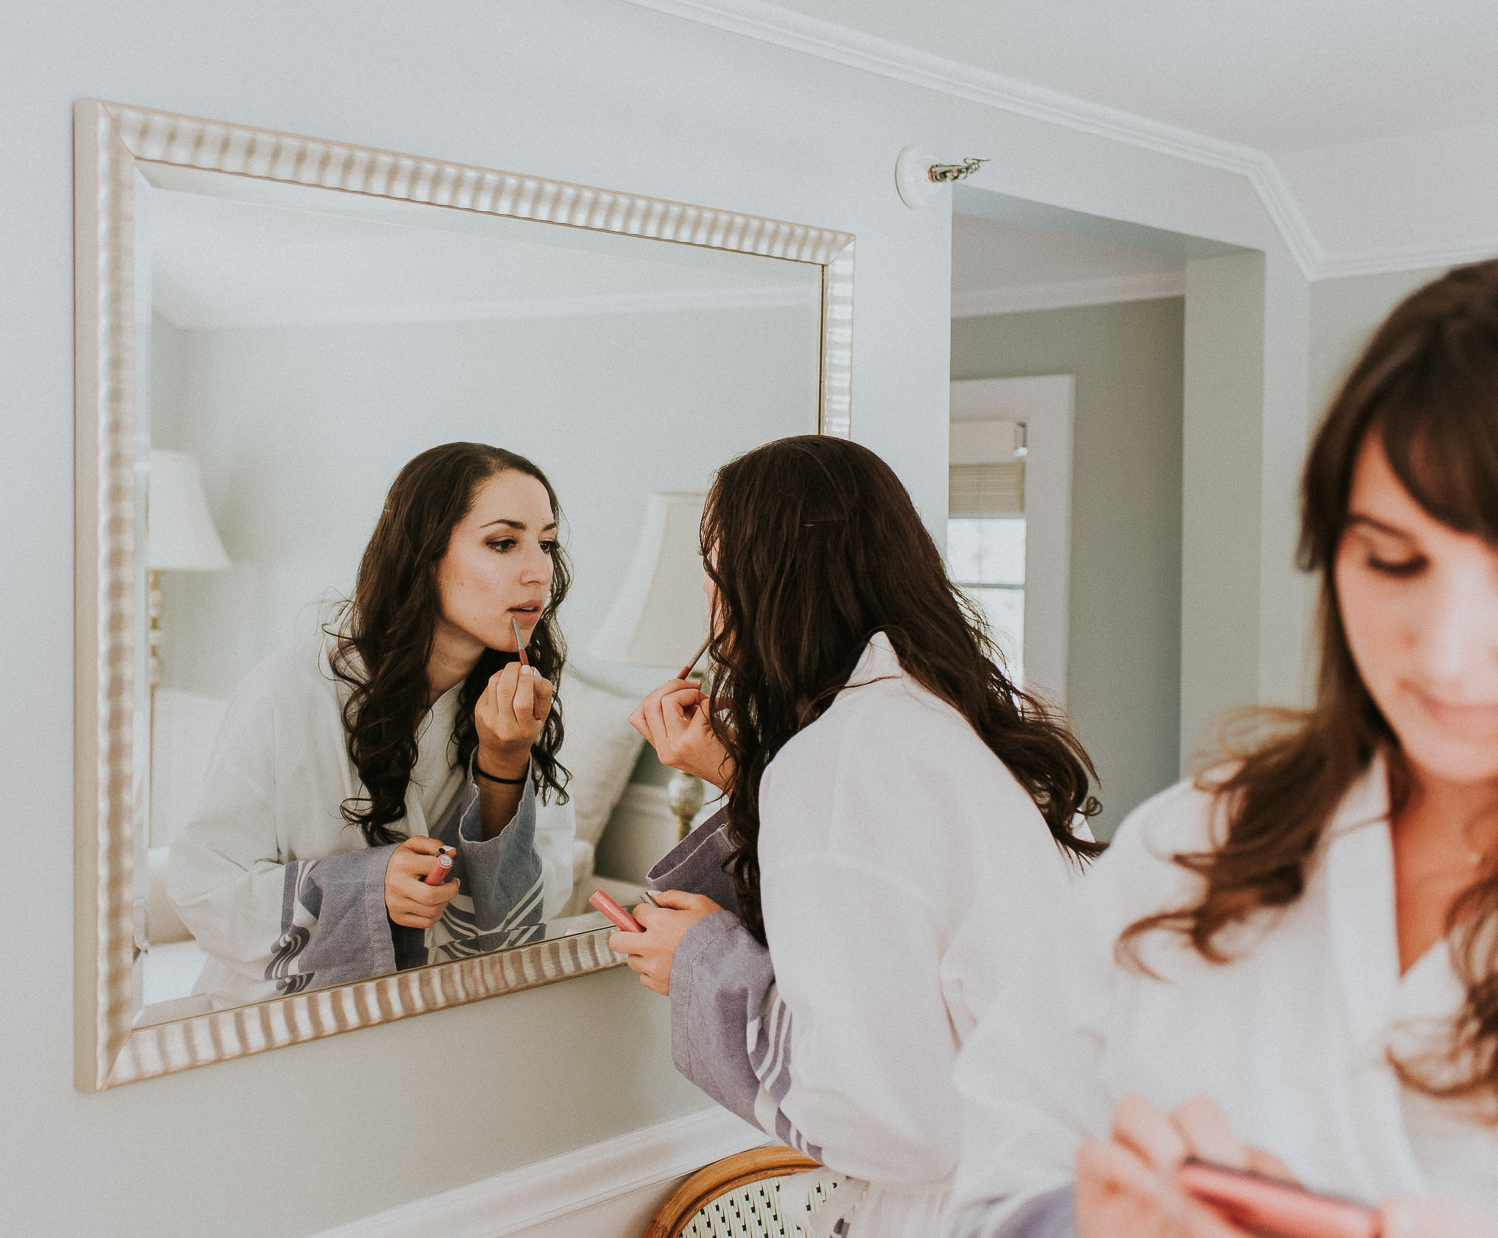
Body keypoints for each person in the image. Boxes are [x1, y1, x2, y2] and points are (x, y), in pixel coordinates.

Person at [950, 260, 1498, 1238]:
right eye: (1390, 558)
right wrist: (1088, 1224)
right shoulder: (1194, 843)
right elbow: (995, 1171)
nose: (1448, 652)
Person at [609, 433, 1103, 1238]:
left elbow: (889, 1121)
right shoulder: (965, 724)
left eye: (718, 559)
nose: (708, 590)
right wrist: (744, 776)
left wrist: (703, 964)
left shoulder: (838, 764)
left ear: (772, 575)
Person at [168, 442, 578, 1002]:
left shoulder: (523, 701)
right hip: (281, 1033)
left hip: (441, 1023)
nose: (539, 571)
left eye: (547, 543)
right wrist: (367, 890)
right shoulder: (290, 689)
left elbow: (523, 910)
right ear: (424, 552)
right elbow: (206, 890)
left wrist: (503, 765)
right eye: (503, 543)